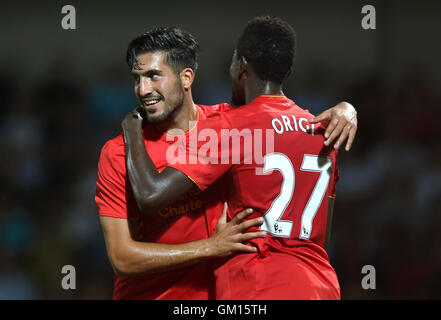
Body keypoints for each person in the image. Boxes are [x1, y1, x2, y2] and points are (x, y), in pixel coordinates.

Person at [97, 24, 357, 299]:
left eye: (153, 76)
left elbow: (271, 119)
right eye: (136, 78)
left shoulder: (230, 127)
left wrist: (347, 109)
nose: (142, 89)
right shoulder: (118, 153)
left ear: (186, 78)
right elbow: (122, 258)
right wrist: (209, 246)